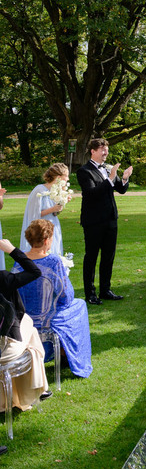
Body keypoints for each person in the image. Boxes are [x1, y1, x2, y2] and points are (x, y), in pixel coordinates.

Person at [16, 218, 92, 377]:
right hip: (47, 320)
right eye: (51, 238)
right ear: (45, 240)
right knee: (79, 305)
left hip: (24, 318)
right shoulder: (53, 261)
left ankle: (64, 352)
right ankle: (67, 354)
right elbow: (66, 295)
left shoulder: (19, 262)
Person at [76, 137, 132, 304]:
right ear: (93, 151)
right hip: (93, 221)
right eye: (102, 149)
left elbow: (120, 190)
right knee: (91, 257)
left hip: (110, 220)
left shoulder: (108, 169)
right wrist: (110, 178)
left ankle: (105, 290)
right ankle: (90, 293)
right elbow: (92, 193)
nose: (106, 152)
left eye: (106, 149)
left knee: (108, 257)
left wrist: (124, 178)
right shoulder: (84, 171)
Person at [0, 237, 50, 410]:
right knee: (29, 328)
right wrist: (12, 250)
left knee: (28, 329)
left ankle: (37, 390)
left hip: (6, 344)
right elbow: (35, 271)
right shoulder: (3, 279)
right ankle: (39, 389)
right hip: (5, 350)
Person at [19, 162, 71, 256]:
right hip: (40, 230)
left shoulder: (57, 191)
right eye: (66, 176)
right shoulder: (39, 190)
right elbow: (33, 215)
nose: (68, 179)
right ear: (58, 177)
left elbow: (55, 212)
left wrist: (62, 203)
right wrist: (52, 209)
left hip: (53, 226)